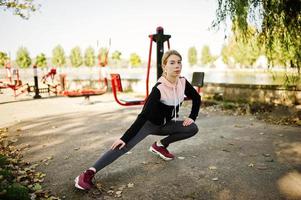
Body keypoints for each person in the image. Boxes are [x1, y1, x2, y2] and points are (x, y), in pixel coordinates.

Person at [74, 50, 201, 190]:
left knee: (192, 128)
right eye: (172, 62)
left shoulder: (182, 82)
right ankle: (87, 173)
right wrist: (125, 137)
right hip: (148, 124)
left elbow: (196, 97)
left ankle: (160, 145)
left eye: (179, 62)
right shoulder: (158, 89)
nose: (177, 66)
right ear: (164, 66)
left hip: (165, 125)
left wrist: (192, 116)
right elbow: (143, 116)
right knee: (123, 145)